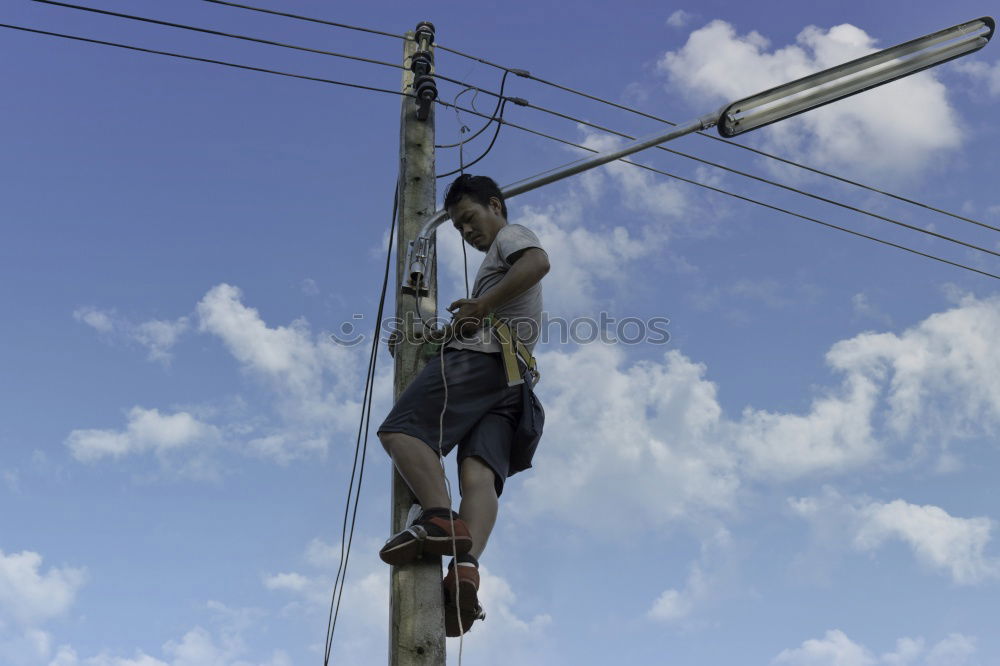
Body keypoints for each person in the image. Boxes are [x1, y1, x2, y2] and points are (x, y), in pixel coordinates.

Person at [376, 174, 549, 636]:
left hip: (484, 362)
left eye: (470, 219)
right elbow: (481, 321)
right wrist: (430, 338)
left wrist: (479, 305)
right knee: (478, 476)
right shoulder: (497, 280)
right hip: (514, 381)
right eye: (458, 228)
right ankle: (466, 569)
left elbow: (536, 262)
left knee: (401, 433)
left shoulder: (511, 237)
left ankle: (437, 517)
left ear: (495, 205)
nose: (468, 232)